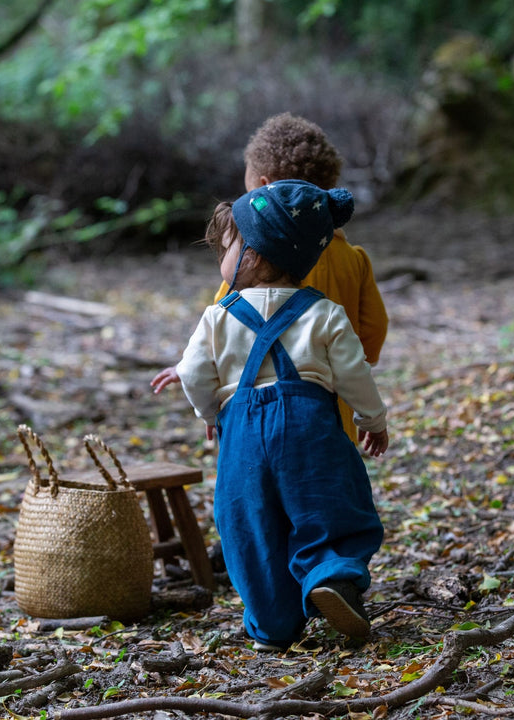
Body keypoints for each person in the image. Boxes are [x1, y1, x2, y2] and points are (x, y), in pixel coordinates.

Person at [152, 180, 388, 651]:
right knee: (329, 504)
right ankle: (331, 576)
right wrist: (372, 420)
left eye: (227, 246)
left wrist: (211, 412)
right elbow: (354, 373)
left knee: (249, 523)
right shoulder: (324, 313)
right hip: (311, 427)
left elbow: (197, 373)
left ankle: (272, 624)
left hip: (242, 432)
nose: (221, 255)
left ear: (254, 254)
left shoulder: (218, 316)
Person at [153, 112, 388, 444]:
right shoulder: (354, 260)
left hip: (253, 413)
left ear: (264, 188)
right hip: (330, 414)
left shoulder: (248, 265)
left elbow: (221, 334)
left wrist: (204, 384)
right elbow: (374, 332)